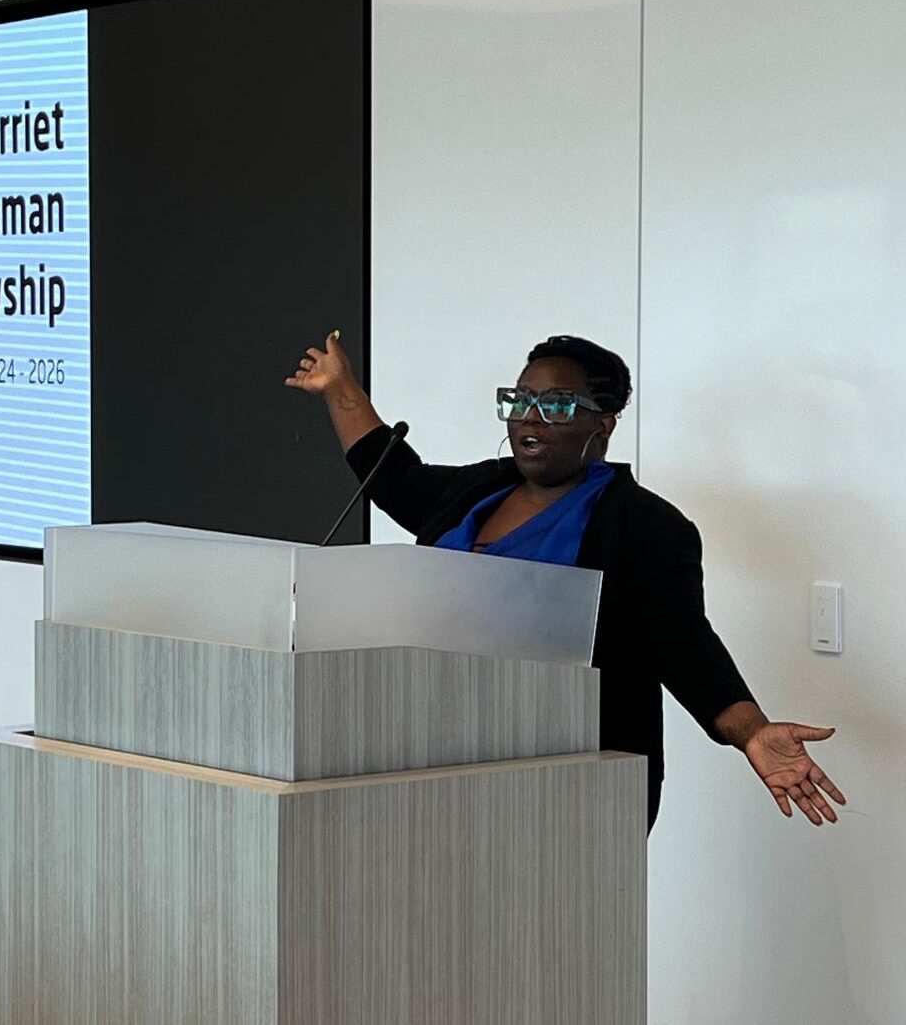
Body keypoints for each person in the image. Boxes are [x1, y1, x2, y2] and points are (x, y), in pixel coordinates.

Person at [287, 331, 846, 831]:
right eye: (519, 400)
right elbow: (398, 480)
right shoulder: (481, 490)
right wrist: (342, 388)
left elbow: (682, 643)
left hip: (569, 773)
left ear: (601, 424)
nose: (529, 417)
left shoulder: (645, 524)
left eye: (555, 404)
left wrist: (751, 731)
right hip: (437, 754)